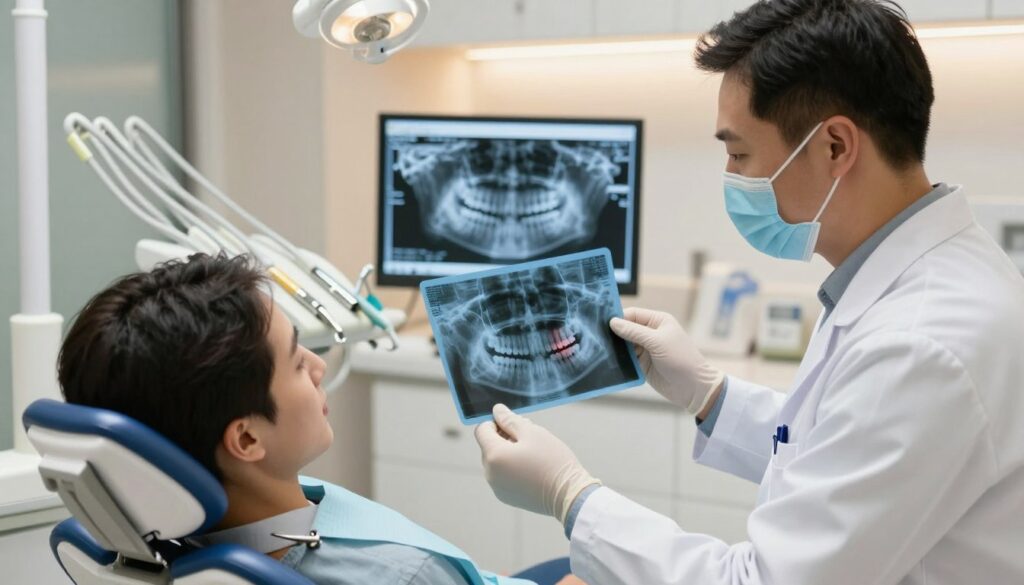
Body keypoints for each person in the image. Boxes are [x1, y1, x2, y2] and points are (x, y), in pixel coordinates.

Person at [473, 1, 1024, 584]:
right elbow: (840, 458)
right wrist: (711, 396)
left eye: (739, 154)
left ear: (835, 146)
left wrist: (572, 497)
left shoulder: (923, 343)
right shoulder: (917, 282)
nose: (732, 179)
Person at [57, 253, 551, 585]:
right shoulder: (404, 574)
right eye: (297, 361)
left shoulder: (167, 546)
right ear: (246, 438)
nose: (319, 368)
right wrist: (570, 493)